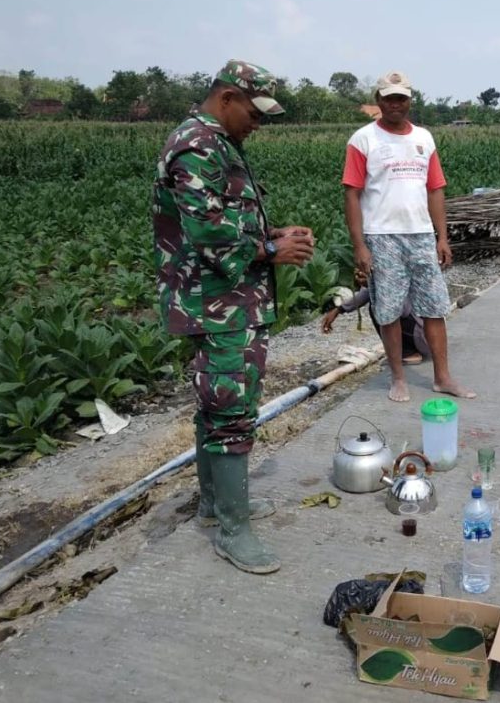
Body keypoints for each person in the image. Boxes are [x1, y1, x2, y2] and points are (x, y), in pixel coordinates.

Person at [153, 59, 314, 574]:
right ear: (227, 98)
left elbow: (227, 216)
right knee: (230, 408)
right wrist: (270, 247)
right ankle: (233, 530)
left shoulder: (217, 142)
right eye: (255, 112)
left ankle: (215, 507)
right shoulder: (198, 144)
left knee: (216, 404)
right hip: (217, 300)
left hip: (227, 297)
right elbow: (207, 231)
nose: (259, 123)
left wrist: (273, 236)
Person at [342, 70, 475, 403]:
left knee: (434, 306)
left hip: (420, 235)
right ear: (379, 101)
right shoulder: (363, 140)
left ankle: (443, 377)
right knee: (387, 310)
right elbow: (351, 194)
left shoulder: (424, 139)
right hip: (382, 236)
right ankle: (398, 378)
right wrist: (360, 245)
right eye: (389, 98)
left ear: (410, 101)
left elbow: (436, 190)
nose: (395, 104)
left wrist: (441, 236)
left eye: (401, 98)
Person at [320, 284, 430, 364]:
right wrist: (339, 310)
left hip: (421, 336)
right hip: (429, 338)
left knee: (379, 305)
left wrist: (339, 310)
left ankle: (408, 353)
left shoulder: (391, 276)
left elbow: (365, 294)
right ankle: (402, 352)